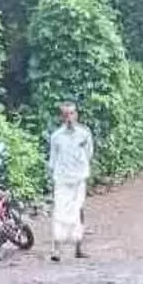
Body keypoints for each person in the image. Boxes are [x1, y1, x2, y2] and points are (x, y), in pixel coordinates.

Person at [47, 101, 95, 262]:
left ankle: (78, 248)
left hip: (78, 178)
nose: (69, 117)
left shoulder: (84, 134)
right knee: (59, 212)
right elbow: (53, 159)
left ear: (76, 115)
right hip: (61, 178)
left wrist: (81, 170)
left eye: (72, 113)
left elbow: (88, 154)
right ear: (61, 117)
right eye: (66, 114)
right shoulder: (56, 137)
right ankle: (56, 249)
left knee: (79, 210)